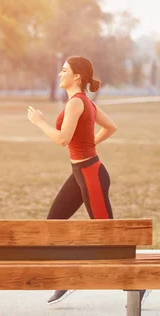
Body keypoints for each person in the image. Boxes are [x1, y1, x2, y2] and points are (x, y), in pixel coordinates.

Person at [27, 55, 119, 304]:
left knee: (107, 236)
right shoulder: (84, 103)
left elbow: (62, 139)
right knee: (53, 223)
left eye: (64, 70)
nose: (60, 73)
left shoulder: (77, 103)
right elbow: (111, 127)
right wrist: (89, 145)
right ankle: (65, 279)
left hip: (91, 175)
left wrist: (40, 123)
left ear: (76, 76)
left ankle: (138, 283)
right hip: (81, 174)